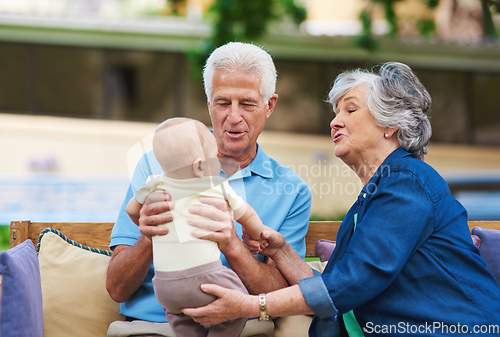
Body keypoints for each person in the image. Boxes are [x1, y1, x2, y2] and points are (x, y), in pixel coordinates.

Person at [182, 62, 500, 336]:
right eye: (335, 112)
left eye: (350, 109)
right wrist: (282, 253)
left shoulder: (408, 184)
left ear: (390, 123)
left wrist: (253, 305)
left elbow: (350, 285)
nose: (334, 122)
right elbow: (334, 286)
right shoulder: (375, 196)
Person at [106, 42, 312, 328]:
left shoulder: (292, 190)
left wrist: (232, 244)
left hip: (240, 330)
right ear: (208, 103)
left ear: (269, 105)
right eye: (223, 102)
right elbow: (117, 289)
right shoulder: (156, 166)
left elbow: (279, 296)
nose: (234, 117)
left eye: (248, 103)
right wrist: (150, 236)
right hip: (154, 327)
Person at [125, 117, 270, 336]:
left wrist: (146, 226)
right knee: (241, 306)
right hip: (205, 278)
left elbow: (131, 210)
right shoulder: (215, 186)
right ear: (200, 167)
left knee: (177, 316)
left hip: (165, 288)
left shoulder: (154, 183)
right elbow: (247, 214)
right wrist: (256, 233)